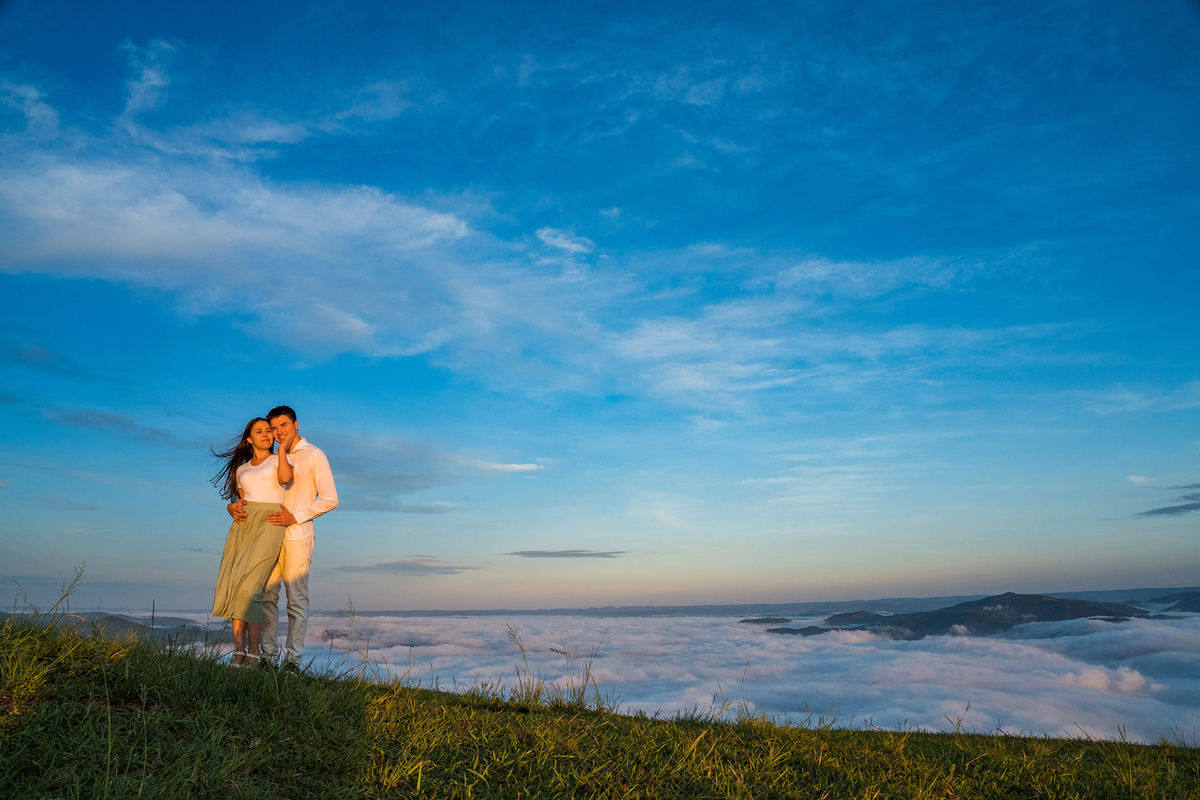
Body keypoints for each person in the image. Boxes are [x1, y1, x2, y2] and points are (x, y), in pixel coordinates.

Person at [228, 405, 337, 669]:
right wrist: (233, 505)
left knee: (296, 601)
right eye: (274, 428)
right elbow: (254, 491)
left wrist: (296, 516)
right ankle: (267, 657)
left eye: (283, 426)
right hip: (267, 537)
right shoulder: (271, 458)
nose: (278, 432)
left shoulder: (313, 455)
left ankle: (293, 662)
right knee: (266, 597)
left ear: (296, 424)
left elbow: (330, 499)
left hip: (298, 535)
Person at [210, 417, 294, 666]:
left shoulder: (279, 458)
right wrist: (230, 506)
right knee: (237, 587)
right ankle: (239, 652)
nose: (266, 434)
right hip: (243, 524)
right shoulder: (242, 469)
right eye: (260, 431)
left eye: (269, 430)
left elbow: (286, 479)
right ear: (249, 439)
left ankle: (254, 652)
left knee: (251, 589)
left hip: (270, 522)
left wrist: (280, 452)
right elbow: (241, 499)